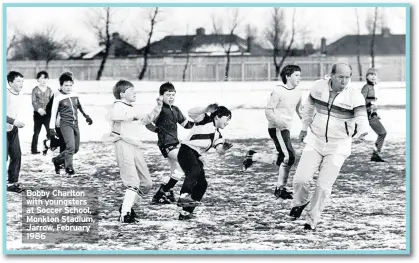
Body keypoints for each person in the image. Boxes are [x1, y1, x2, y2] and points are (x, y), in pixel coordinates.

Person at [291, 63, 369, 231]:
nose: (344, 80)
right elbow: (309, 108)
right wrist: (304, 128)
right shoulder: (318, 87)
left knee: (323, 186)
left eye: (348, 77)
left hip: (338, 145)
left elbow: (362, 117)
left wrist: (363, 131)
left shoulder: (354, 95)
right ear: (331, 75)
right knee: (301, 179)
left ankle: (311, 220)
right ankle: (300, 202)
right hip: (315, 140)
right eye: (340, 76)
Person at [106, 80, 163, 223]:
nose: (134, 92)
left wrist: (158, 108)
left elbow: (145, 119)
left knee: (147, 183)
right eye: (131, 90)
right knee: (133, 182)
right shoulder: (117, 105)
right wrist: (134, 116)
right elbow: (115, 116)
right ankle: (125, 215)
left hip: (135, 146)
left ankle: (127, 204)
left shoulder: (132, 106)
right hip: (123, 144)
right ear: (122, 94)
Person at [242, 65, 302, 200]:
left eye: (300, 75)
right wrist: (277, 121)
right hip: (276, 128)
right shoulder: (278, 91)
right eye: (296, 75)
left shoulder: (298, 92)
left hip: (285, 128)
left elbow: (300, 110)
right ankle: (280, 189)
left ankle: (254, 156)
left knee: (284, 157)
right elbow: (268, 111)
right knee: (289, 157)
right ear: (287, 76)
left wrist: (310, 121)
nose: (300, 78)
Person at [176, 104, 233, 220]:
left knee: (202, 184)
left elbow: (219, 150)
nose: (227, 123)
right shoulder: (204, 120)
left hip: (195, 156)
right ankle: (184, 196)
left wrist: (224, 149)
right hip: (186, 151)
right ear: (217, 117)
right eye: (227, 119)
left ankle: (186, 212)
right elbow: (191, 111)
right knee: (195, 170)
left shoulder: (218, 135)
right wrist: (206, 109)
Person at [147, 82, 194, 205]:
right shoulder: (159, 109)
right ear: (161, 96)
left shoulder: (176, 109)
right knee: (184, 163)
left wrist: (199, 123)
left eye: (173, 95)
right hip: (165, 144)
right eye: (168, 95)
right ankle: (165, 191)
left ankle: (163, 193)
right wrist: (156, 129)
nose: (171, 97)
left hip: (174, 143)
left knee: (177, 170)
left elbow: (186, 124)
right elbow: (147, 121)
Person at [49, 73, 93, 175]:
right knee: (70, 147)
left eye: (70, 85)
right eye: (66, 85)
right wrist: (51, 129)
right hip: (65, 124)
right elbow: (53, 114)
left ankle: (57, 160)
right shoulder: (57, 98)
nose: (68, 88)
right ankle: (69, 167)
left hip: (75, 124)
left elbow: (81, 106)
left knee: (75, 149)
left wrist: (87, 116)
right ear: (61, 86)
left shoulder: (75, 95)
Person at [361, 68, 387, 162]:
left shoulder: (374, 88)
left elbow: (372, 102)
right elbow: (361, 101)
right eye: (370, 74)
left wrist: (376, 112)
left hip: (372, 115)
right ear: (367, 77)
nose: (373, 76)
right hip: (367, 115)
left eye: (374, 75)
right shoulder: (366, 87)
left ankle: (376, 154)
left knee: (382, 133)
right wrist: (368, 110)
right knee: (382, 133)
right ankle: (375, 154)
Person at [6, 71, 25, 193]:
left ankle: (12, 182)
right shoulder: (5, 94)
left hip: (12, 129)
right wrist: (14, 121)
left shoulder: (19, 94)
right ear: (10, 82)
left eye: (22, 81)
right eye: (18, 81)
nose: (21, 84)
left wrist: (15, 123)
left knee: (16, 155)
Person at [31, 71, 53, 154]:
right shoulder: (35, 90)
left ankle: (47, 146)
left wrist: (48, 111)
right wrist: (39, 109)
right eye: (42, 78)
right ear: (38, 79)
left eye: (45, 78)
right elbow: (33, 102)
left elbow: (51, 102)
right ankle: (34, 150)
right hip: (38, 115)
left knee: (49, 132)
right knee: (36, 132)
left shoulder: (49, 90)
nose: (44, 80)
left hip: (47, 115)